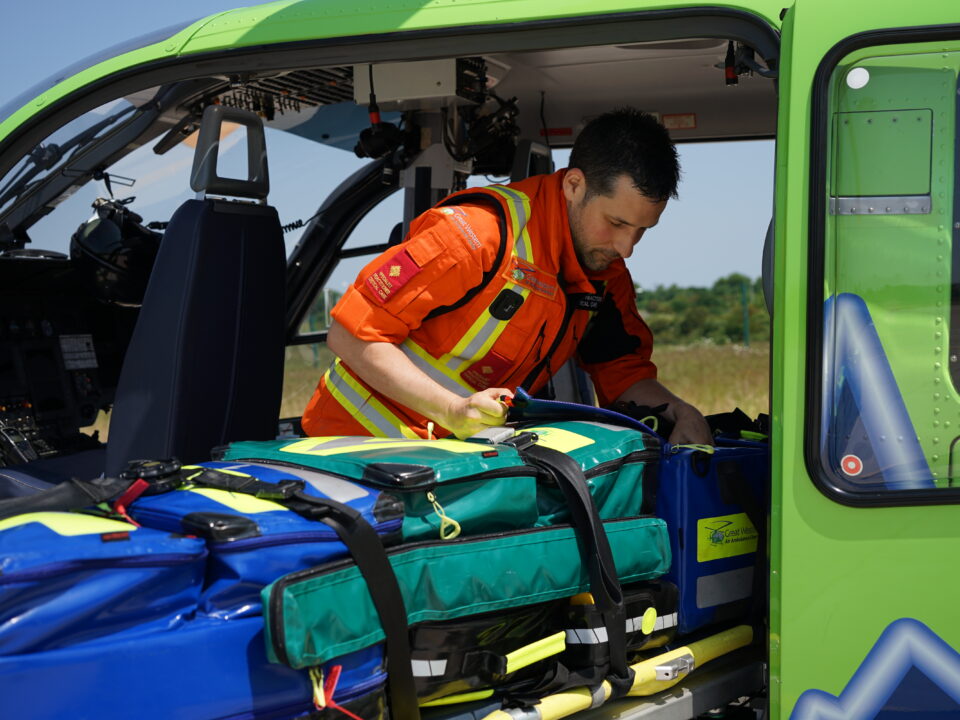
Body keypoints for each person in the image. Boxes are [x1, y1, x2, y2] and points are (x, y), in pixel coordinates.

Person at [301, 107, 712, 445]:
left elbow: (623, 374)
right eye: (616, 223)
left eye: (642, 230)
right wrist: (452, 410)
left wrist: (681, 412)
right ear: (573, 185)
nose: (627, 248)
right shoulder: (476, 234)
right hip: (349, 449)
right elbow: (350, 335)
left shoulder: (605, 276)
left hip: (450, 461)